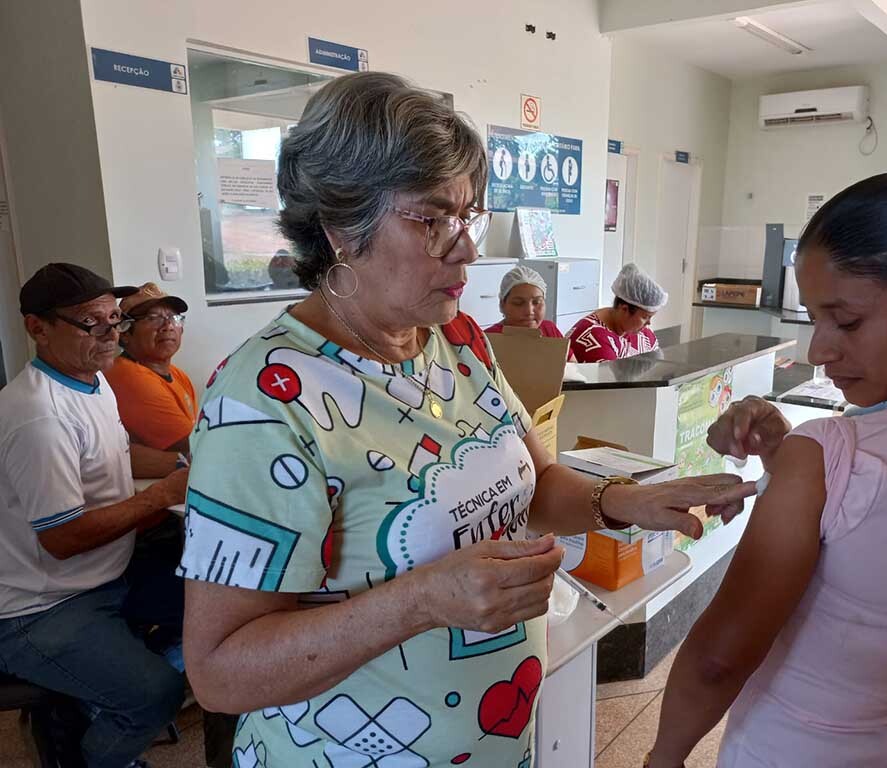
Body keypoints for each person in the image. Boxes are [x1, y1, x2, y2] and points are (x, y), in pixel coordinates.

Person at [178, 71, 756, 768]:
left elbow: (533, 483)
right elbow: (219, 671)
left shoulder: (455, 340)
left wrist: (619, 501)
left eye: (468, 215)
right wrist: (420, 602)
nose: (467, 249)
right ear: (339, 225)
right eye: (432, 218)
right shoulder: (265, 399)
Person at [646, 172, 887, 767]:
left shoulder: (834, 454)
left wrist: (661, 759)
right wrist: (786, 458)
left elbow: (718, 660)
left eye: (846, 321)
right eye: (814, 318)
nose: (819, 349)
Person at [0, 263, 190, 768]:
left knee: (220, 596)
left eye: (116, 320)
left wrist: (190, 462)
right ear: (37, 328)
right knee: (155, 695)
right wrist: (161, 495)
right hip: (41, 606)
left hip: (105, 574)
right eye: (92, 323)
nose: (111, 335)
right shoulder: (39, 418)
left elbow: (118, 457)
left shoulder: (92, 381)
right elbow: (62, 538)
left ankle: (82, 703)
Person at [106, 282, 196, 454]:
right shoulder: (129, 377)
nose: (168, 326)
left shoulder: (177, 374)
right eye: (153, 318)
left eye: (174, 318)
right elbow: (195, 446)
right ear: (124, 333)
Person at [568, 263, 666, 361]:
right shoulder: (594, 338)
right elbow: (607, 375)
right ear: (624, 309)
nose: (649, 323)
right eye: (645, 317)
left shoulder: (643, 335)